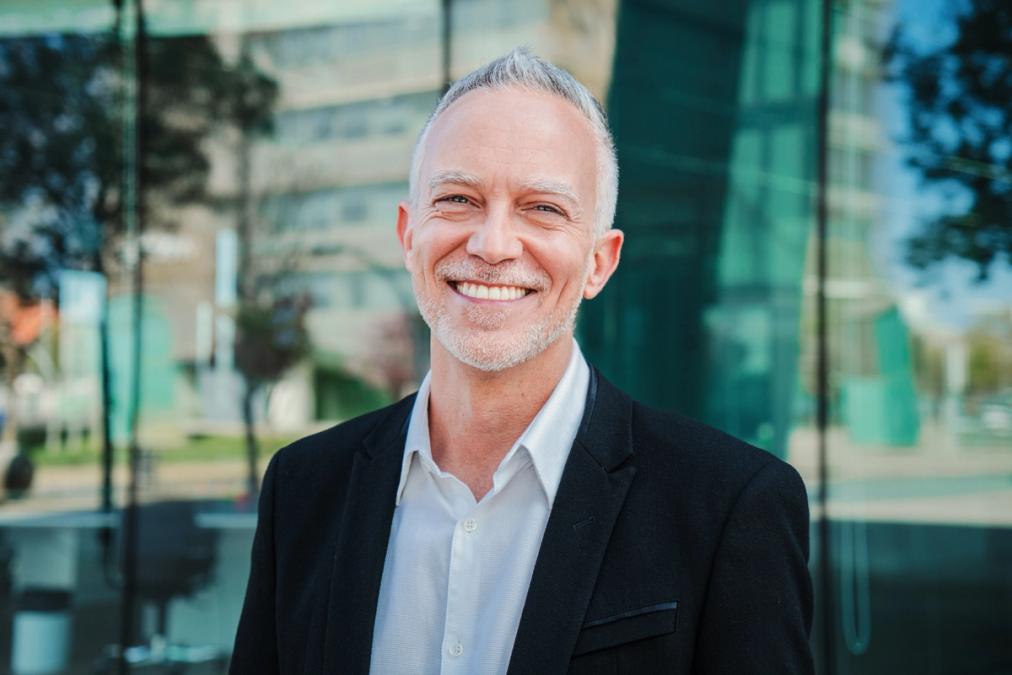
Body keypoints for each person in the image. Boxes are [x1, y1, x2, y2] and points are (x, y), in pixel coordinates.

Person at [230, 48, 813, 675]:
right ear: (408, 235)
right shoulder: (303, 487)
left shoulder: (729, 506)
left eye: (544, 208)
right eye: (457, 199)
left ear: (599, 262)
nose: (493, 245)